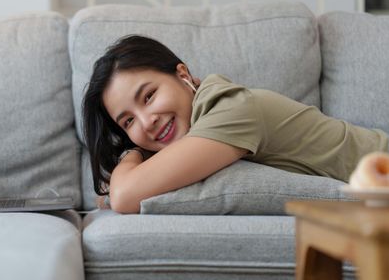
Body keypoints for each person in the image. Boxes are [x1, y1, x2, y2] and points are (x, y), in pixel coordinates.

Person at [82, 35, 389, 214]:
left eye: (149, 96)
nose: (147, 122)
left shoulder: (232, 110)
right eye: (128, 120)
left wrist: (131, 154)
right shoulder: (201, 124)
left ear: (183, 75)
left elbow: (124, 197)